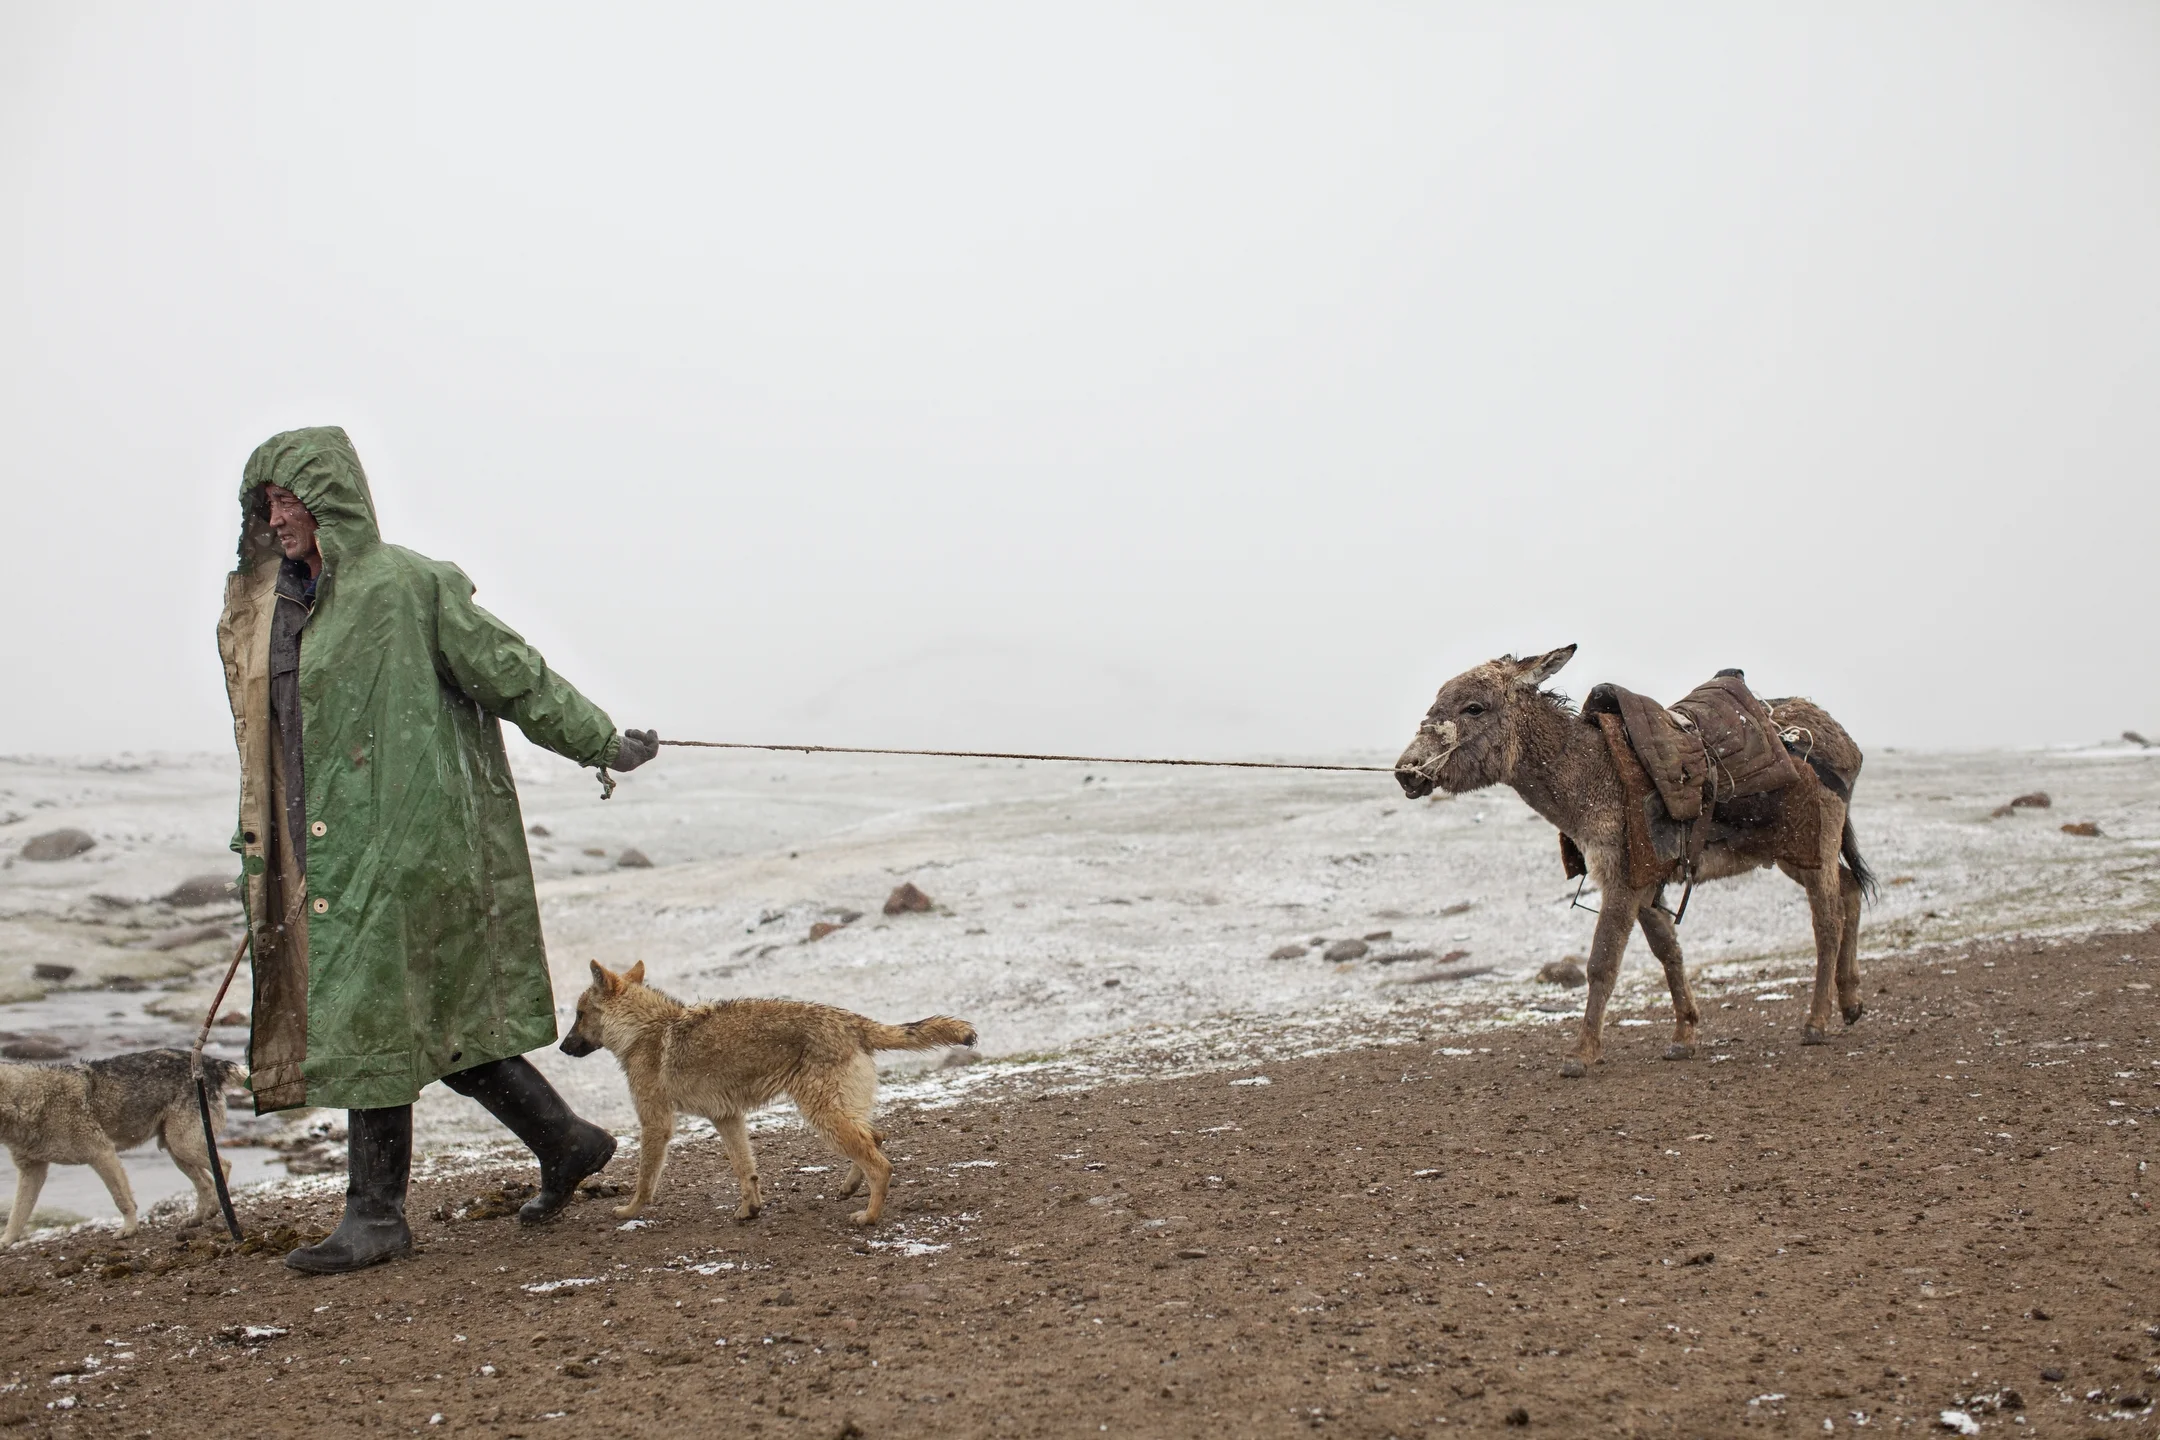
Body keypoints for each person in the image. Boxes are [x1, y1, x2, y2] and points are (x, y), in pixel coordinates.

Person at [215, 426, 660, 1274]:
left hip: (410, 842)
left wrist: (599, 740)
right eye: (265, 503)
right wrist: (263, 851)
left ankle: (375, 1215)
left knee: (374, 1018)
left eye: (290, 499)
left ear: (331, 499)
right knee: (445, 1022)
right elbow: (271, 737)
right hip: (317, 849)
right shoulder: (265, 611)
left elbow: (511, 671)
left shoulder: (408, 586)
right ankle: (566, 1143)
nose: (277, 518)